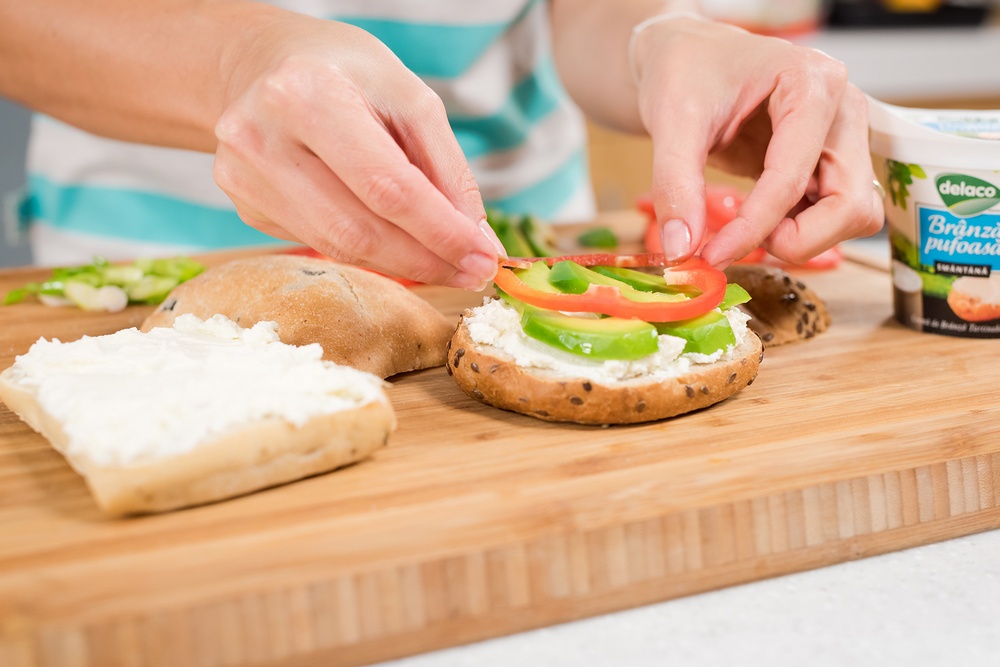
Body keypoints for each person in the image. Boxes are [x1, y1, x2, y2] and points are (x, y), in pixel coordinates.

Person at [0, 0, 883, 289]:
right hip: (157, 268)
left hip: (524, 267)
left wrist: (660, 34)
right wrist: (233, 61)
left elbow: (587, 17)